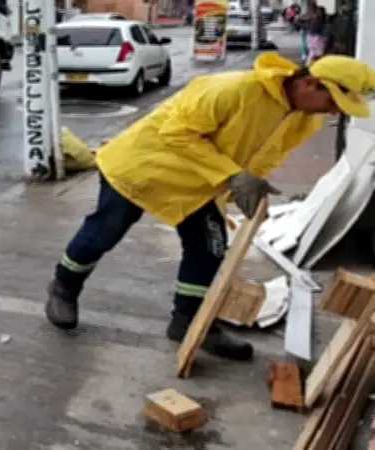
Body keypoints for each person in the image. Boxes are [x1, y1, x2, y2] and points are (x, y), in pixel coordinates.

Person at [45, 52, 375, 361]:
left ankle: (189, 322)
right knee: (104, 232)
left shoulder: (306, 120)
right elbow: (177, 134)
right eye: (332, 100)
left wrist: (247, 187)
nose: (334, 112)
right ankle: (64, 287)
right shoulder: (232, 89)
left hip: (199, 182)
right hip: (142, 167)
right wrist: (232, 175)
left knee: (210, 248)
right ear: (308, 83)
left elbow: (263, 155)